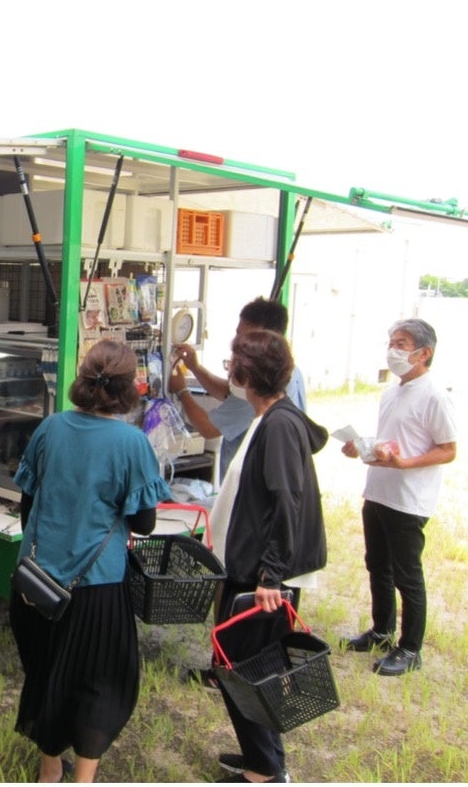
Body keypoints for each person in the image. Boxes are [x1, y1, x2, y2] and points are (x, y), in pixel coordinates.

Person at [10, 339, 172, 783]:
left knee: (45, 672)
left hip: (35, 581)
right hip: (97, 587)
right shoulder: (132, 443)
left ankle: (49, 769)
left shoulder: (50, 428)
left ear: (82, 379)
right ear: (129, 388)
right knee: (100, 683)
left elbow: (27, 504)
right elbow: (144, 523)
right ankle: (83, 777)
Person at [209, 330, 327, 783]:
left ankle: (266, 771)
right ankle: (264, 761)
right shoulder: (272, 416)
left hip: (262, 574)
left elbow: (287, 501)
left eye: (232, 364)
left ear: (247, 375)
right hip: (250, 565)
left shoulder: (279, 425)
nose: (229, 371)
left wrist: (271, 577)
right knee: (248, 666)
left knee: (243, 669)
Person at [341, 319, 456, 676]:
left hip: (408, 500)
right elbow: (391, 439)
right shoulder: (391, 392)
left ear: (424, 353)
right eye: (391, 343)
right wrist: (361, 448)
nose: (393, 350)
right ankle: (382, 630)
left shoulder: (435, 396)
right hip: (378, 491)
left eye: (402, 344)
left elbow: (448, 449)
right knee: (378, 565)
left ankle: (410, 649)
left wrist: (406, 464)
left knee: (408, 575)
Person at [168, 297, 306, 480]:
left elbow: (209, 428)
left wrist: (182, 391)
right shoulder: (288, 371)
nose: (238, 343)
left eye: (246, 337)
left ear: (265, 340)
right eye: (237, 333)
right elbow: (231, 393)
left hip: (249, 484)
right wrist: (195, 368)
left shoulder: (262, 389)